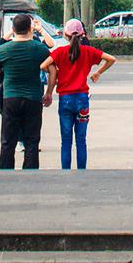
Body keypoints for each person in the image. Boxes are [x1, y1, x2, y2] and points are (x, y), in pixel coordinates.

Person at [43, 19, 115, 170]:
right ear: (83, 34)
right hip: (82, 99)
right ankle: (82, 171)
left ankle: (66, 171)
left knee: (66, 141)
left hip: (65, 99)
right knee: (81, 140)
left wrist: (55, 72)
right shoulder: (89, 52)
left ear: (65, 34)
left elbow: (43, 65)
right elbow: (111, 59)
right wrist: (98, 73)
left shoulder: (60, 52)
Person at [0, 13, 50, 169]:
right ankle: (30, 172)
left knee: (8, 140)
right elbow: (51, 68)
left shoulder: (3, 49)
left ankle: (5, 171)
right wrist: (49, 91)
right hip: (33, 98)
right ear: (30, 28)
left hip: (10, 98)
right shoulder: (39, 48)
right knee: (32, 139)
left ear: (13, 29)